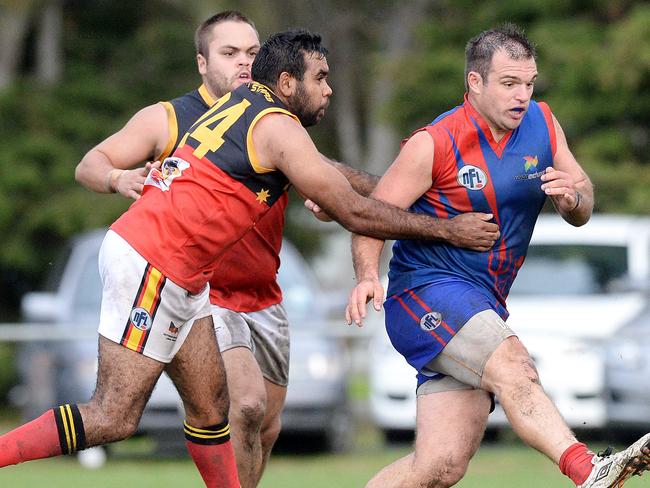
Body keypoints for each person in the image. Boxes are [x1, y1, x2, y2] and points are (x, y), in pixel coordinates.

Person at [0, 27, 500, 485]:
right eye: (320, 78)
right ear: (286, 83)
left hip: (183, 273)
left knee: (211, 408)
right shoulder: (278, 128)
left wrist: (420, 198)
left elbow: (340, 180)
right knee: (113, 417)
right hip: (153, 262)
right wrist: (448, 229)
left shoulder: (244, 105)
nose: (328, 90)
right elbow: (355, 212)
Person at [74, 11, 377, 487]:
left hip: (264, 292)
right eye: (229, 52)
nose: (243, 62)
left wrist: (340, 197)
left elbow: (317, 173)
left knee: (266, 424)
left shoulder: (272, 119)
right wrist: (117, 177)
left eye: (252, 53)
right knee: (244, 406)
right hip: (206, 292)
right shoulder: (169, 118)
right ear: (201, 62)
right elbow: (90, 162)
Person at [346, 24, 650, 488]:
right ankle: (589, 470)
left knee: (439, 467)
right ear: (475, 82)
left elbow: (583, 200)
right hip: (424, 293)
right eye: (509, 84)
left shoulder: (543, 124)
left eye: (529, 84)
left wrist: (572, 199)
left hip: (483, 303)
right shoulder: (435, 141)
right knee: (515, 365)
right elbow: (370, 215)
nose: (522, 96)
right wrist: (367, 274)